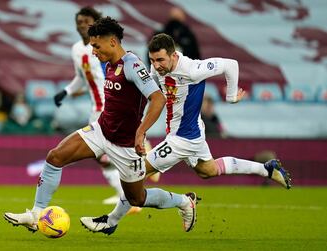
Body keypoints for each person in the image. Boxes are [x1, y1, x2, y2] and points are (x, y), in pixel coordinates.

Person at [80, 33, 291, 235]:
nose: (157, 65)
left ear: (173, 55)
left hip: (183, 138)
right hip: (193, 133)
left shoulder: (192, 68)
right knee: (208, 170)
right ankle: (267, 169)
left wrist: (231, 95)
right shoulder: (158, 71)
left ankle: (111, 221)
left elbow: (230, 64)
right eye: (153, 60)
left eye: (161, 60)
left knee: (134, 173)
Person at [4, 17, 200, 234]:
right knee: (55, 156)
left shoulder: (132, 65)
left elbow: (158, 98)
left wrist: (141, 132)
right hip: (101, 131)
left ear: (113, 42)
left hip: (125, 145)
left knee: (137, 198)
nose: (94, 51)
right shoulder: (109, 64)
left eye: (96, 46)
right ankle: (36, 215)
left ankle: (184, 202)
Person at [28, 7, 124, 205]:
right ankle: (125, 193)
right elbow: (82, 76)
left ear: (96, 24)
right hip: (96, 109)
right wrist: (67, 91)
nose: (82, 25)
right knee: (103, 155)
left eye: (86, 21)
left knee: (103, 153)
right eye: (79, 22)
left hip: (109, 107)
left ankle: (133, 180)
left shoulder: (103, 49)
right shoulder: (77, 50)